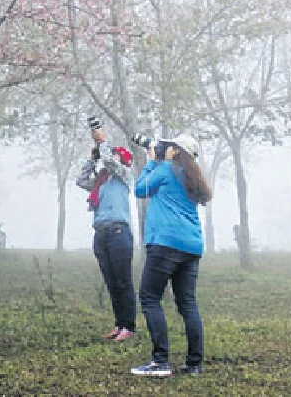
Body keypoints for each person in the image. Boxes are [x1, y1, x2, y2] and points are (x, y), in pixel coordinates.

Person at [130, 135, 213, 378]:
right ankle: (195, 364)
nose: (166, 148)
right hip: (191, 246)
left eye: (171, 146)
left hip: (165, 243)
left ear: (177, 151)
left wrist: (152, 162)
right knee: (188, 304)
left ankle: (160, 362)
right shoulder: (192, 176)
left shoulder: (166, 169)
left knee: (149, 298)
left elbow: (140, 189)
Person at [75, 122, 137, 341]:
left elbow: (110, 162)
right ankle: (119, 324)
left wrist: (102, 142)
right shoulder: (100, 181)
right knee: (111, 282)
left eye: (115, 154)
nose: (109, 157)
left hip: (118, 232)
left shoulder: (124, 176)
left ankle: (129, 326)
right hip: (101, 233)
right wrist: (92, 159)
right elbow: (81, 180)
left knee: (123, 281)